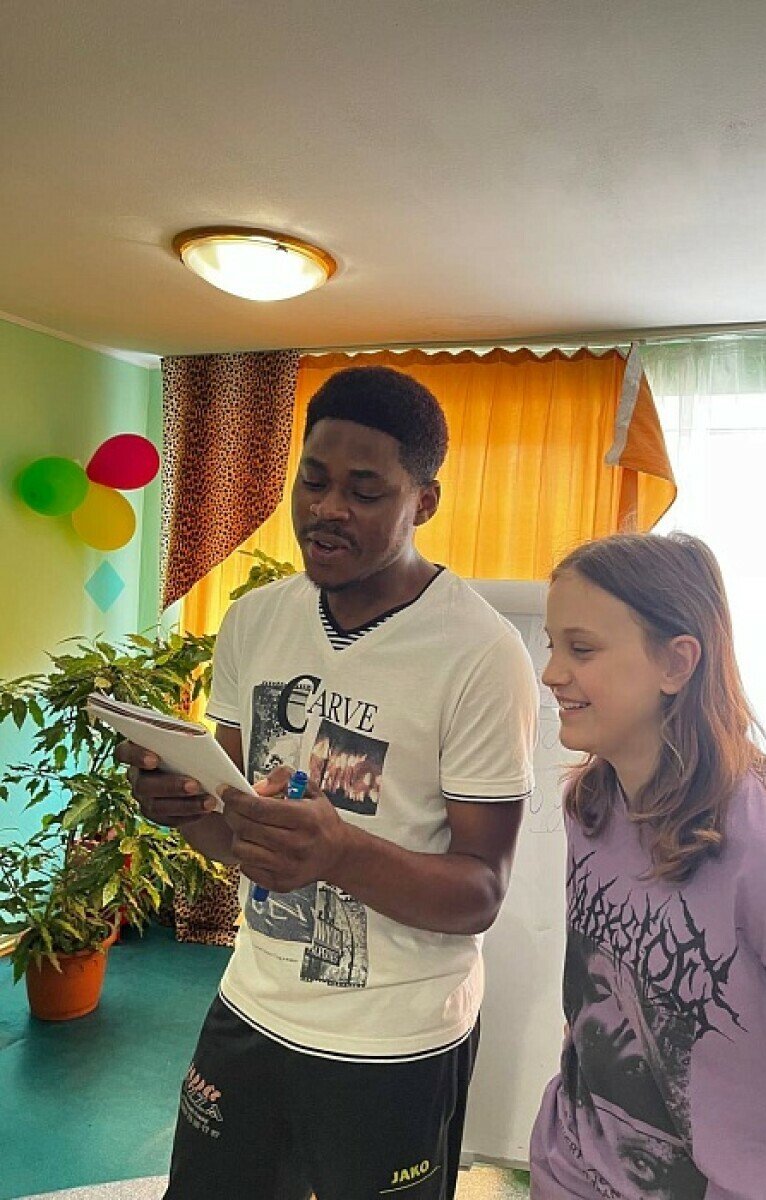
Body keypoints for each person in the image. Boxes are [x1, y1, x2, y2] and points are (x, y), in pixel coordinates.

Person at [118, 365, 539, 1200]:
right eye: (312, 481)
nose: (327, 508)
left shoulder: (482, 655)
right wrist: (180, 807)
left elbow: (481, 891)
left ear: (424, 501)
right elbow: (240, 832)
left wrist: (340, 853)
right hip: (254, 1000)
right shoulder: (255, 620)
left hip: (396, 1038)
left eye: (364, 490)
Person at [529, 532, 766, 1200]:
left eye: (581, 649)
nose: (552, 672)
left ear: (677, 663)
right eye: (553, 646)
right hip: (571, 1174)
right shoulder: (590, 808)